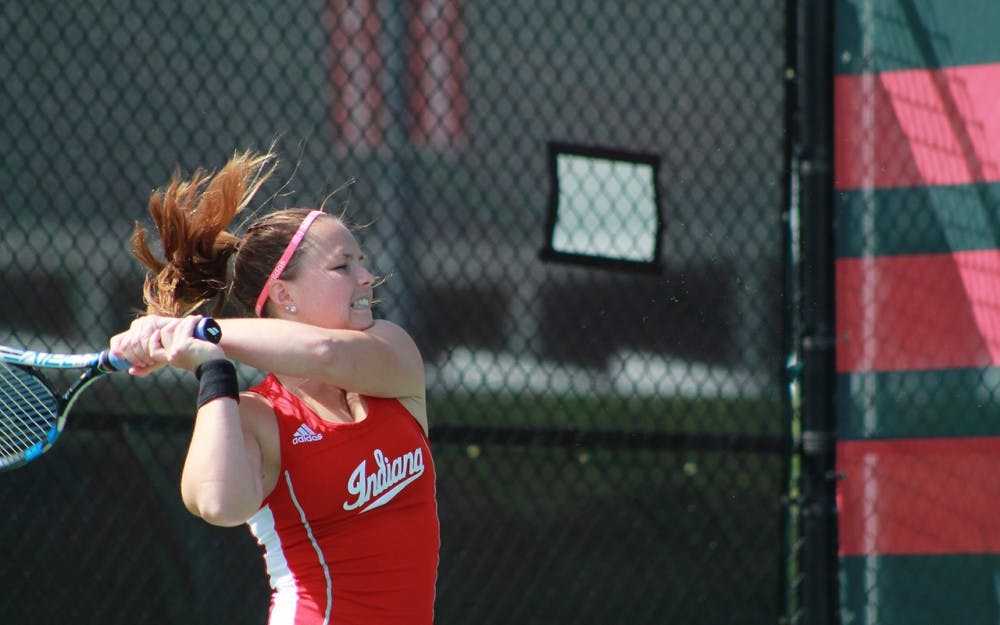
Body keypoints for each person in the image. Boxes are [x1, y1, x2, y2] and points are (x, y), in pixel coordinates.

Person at [109, 151, 439, 625]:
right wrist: (212, 369)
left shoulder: (392, 354)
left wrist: (204, 331)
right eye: (342, 266)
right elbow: (218, 503)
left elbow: (327, 352)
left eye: (361, 261)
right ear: (285, 295)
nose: (366, 276)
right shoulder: (258, 414)